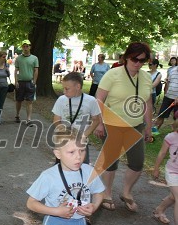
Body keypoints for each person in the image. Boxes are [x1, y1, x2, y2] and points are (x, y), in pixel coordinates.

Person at [94, 42, 153, 212]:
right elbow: (99, 100)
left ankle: (126, 192)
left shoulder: (146, 78)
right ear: (127, 57)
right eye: (135, 59)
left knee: (137, 163)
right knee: (111, 163)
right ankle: (107, 193)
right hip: (112, 125)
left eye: (143, 60)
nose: (138, 63)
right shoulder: (112, 74)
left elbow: (148, 104)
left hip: (135, 126)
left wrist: (148, 127)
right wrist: (100, 123)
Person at [52, 72, 101, 164]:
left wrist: (84, 135)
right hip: (64, 141)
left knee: (82, 166)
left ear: (78, 87)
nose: (64, 91)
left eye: (67, 89)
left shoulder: (91, 101)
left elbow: (96, 120)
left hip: (81, 142)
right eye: (64, 88)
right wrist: (64, 133)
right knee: (62, 168)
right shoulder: (61, 100)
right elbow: (56, 121)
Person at [152, 119, 178, 225]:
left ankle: (159, 210)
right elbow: (162, 153)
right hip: (172, 172)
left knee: (174, 197)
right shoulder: (171, 137)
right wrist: (156, 169)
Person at [14, 40, 39, 125]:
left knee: (29, 101)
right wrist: (16, 81)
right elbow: (16, 70)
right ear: (22, 47)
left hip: (30, 82)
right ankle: (17, 115)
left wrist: (34, 81)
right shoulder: (18, 58)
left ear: (30, 47)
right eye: (24, 46)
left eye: (27, 46)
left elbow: (36, 70)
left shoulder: (34, 58)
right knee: (19, 100)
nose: (25, 48)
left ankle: (28, 119)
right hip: (20, 82)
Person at [153, 60, 178, 131]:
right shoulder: (172, 70)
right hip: (168, 97)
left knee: (177, 117)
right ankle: (155, 131)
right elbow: (168, 82)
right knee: (161, 115)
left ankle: (175, 135)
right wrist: (166, 93)